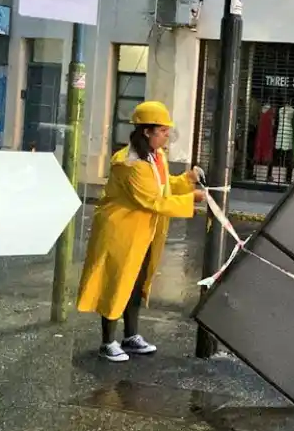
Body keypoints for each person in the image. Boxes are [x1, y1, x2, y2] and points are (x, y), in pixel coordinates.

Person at [76, 101, 206, 362]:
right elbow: (154, 200)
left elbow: (162, 187)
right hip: (121, 231)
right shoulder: (130, 164)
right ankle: (107, 341)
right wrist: (192, 197)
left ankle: (131, 336)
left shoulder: (155, 157)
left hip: (143, 231)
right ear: (147, 131)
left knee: (137, 282)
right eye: (163, 130)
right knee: (117, 282)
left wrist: (186, 180)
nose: (167, 135)